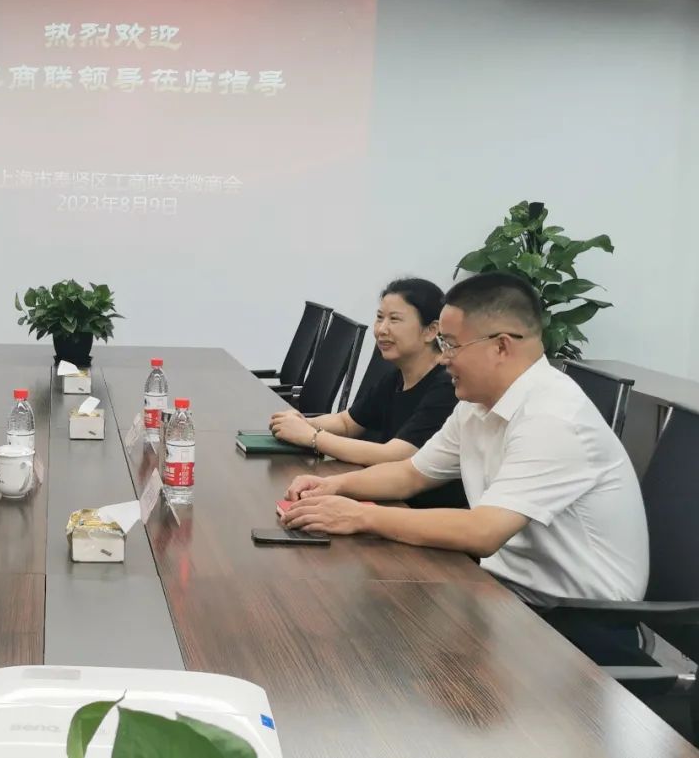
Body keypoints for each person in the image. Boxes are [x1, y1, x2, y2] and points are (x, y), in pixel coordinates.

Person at [281, 272, 649, 664]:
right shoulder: (476, 406)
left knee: (376, 652)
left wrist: (360, 516)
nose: (443, 358)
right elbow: (410, 474)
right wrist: (334, 487)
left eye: (451, 345)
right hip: (504, 595)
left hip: (577, 628)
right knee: (361, 630)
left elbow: (483, 531)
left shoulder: (554, 418)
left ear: (501, 346)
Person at [269, 278, 466, 508]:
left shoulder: (447, 386)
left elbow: (394, 455)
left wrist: (312, 437)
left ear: (431, 330)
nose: (381, 329)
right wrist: (301, 423)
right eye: (380, 318)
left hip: (420, 510)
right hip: (386, 496)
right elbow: (347, 423)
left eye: (394, 319)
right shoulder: (396, 375)